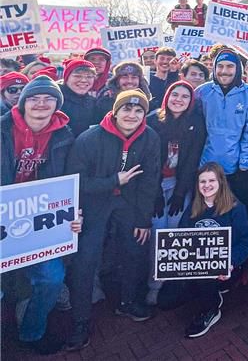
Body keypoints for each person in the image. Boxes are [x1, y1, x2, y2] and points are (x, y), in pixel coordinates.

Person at [66, 90, 161, 351]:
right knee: (86, 259)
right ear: (115, 111)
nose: (132, 115)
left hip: (129, 203)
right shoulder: (89, 138)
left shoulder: (150, 137)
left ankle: (128, 302)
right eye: (126, 109)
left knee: (134, 249)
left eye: (139, 110)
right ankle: (80, 320)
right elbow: (76, 181)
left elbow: (150, 179)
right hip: (95, 203)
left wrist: (144, 219)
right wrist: (113, 181)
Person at [1, 76, 79, 354]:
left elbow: (68, 182)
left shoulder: (65, 135)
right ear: (23, 103)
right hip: (2, 220)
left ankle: (32, 333)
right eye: (34, 98)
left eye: (49, 99)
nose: (41, 104)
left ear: (57, 105)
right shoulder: (2, 130)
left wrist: (71, 214)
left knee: (52, 277)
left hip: (39, 222)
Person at [157, 162, 248, 338]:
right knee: (165, 301)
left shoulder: (236, 208)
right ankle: (205, 292)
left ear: (221, 182)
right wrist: (168, 266)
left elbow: (247, 243)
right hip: (196, 265)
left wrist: (230, 262)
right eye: (202, 182)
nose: (207, 185)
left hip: (226, 268)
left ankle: (211, 309)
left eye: (211, 181)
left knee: (206, 275)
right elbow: (180, 239)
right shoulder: (194, 207)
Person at [144, 81, 207, 305]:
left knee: (176, 230)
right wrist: (154, 194)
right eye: (175, 94)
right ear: (167, 96)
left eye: (185, 96)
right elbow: (148, 161)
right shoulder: (152, 120)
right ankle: (155, 283)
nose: (179, 100)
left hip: (180, 184)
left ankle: (173, 281)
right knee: (157, 231)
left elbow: (192, 160)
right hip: (155, 185)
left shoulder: (196, 124)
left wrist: (180, 193)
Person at [196, 48, 248, 206]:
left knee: (233, 212)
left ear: (238, 68)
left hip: (235, 169)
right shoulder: (202, 92)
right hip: (205, 167)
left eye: (230, 66)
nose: (224, 71)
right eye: (220, 66)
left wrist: (244, 164)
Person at [59, 59, 99, 136]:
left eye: (89, 76)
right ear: (66, 78)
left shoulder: (93, 102)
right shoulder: (55, 100)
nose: (84, 80)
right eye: (77, 76)